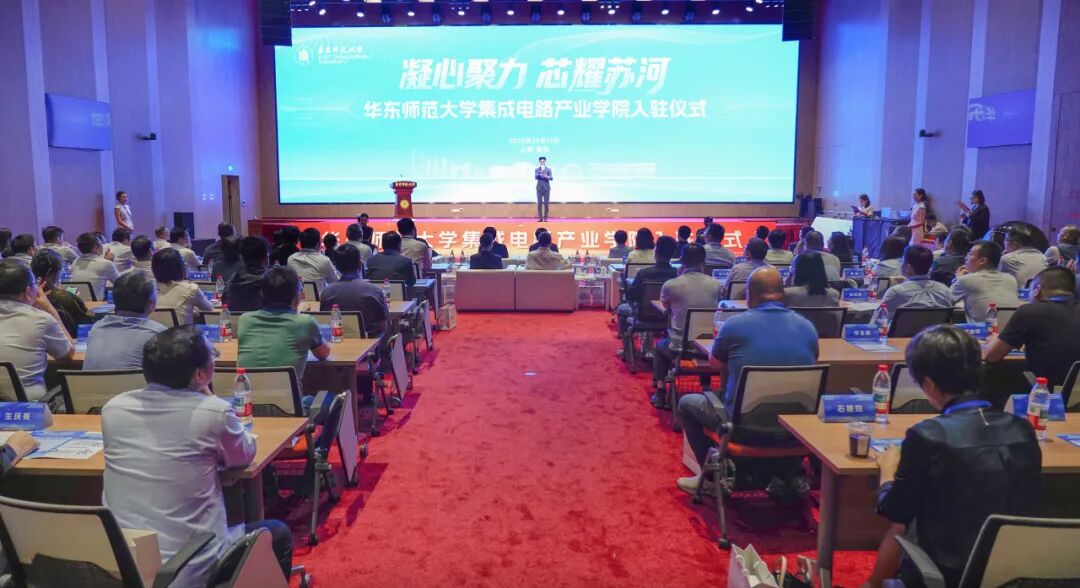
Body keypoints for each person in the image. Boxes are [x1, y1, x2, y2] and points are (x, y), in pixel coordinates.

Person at [102, 326, 294, 587]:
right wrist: (208, 394)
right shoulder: (212, 412)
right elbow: (244, 455)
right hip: (188, 566)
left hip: (123, 566)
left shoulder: (113, 409)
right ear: (201, 373)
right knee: (277, 533)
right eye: (211, 357)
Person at [866, 325, 1040, 588]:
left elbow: (897, 511)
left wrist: (887, 475)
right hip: (1016, 574)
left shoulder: (928, 436)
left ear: (928, 384)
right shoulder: (1022, 429)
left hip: (951, 573)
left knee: (900, 528)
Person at [676, 267, 819, 497]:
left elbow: (715, 363)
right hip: (795, 429)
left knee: (687, 404)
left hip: (743, 427)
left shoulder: (735, 325)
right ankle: (785, 475)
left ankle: (712, 479)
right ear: (782, 293)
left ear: (749, 295)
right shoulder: (808, 327)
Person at [984, 267, 1080, 389]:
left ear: (1037, 290)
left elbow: (992, 356)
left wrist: (994, 340)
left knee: (989, 371)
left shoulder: (1029, 311)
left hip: (1049, 392)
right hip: (1075, 392)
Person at [652, 244, 723, 406]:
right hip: (709, 347)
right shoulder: (716, 285)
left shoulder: (671, 284)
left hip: (680, 348)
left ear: (682, 261)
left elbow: (666, 308)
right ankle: (706, 388)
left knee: (660, 346)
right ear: (704, 262)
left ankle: (660, 392)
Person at [237, 266, 330, 382]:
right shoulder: (305, 322)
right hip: (289, 394)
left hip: (246, 392)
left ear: (261, 294)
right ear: (297, 298)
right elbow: (323, 354)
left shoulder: (245, 320)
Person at [0, 260, 74, 400]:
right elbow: (68, 354)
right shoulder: (41, 320)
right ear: (29, 292)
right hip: (29, 406)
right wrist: (50, 309)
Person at [84, 270, 166, 370]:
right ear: (150, 304)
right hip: (137, 381)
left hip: (89, 381)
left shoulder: (96, 328)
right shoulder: (158, 334)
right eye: (156, 293)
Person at [320, 244, 388, 337]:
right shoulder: (374, 291)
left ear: (337, 267)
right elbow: (383, 327)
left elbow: (324, 323)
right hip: (369, 343)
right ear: (360, 264)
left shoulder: (326, 293)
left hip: (337, 342)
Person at [617, 236, 679, 337]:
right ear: (673, 253)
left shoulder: (643, 273)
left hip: (643, 315)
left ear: (656, 252)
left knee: (621, 309)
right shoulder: (677, 274)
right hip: (669, 315)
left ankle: (624, 340)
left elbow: (631, 296)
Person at [30, 249, 97, 337]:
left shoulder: (27, 298)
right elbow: (88, 322)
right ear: (56, 273)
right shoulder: (65, 297)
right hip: (70, 340)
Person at [950, 240, 1020, 322]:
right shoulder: (1010, 279)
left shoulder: (966, 280)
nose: (966, 258)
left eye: (970, 254)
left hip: (984, 329)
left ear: (982, 261)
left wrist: (957, 280)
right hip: (1011, 329)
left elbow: (944, 301)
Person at [880, 245, 953, 316]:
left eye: (902, 261)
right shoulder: (944, 290)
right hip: (936, 325)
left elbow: (878, 318)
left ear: (908, 267)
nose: (900, 264)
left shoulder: (895, 292)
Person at [153, 248, 214, 325]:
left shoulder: (150, 290)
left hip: (156, 332)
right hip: (182, 332)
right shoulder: (190, 289)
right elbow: (209, 309)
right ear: (181, 267)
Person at [223, 236, 270, 312]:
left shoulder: (233, 279)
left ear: (242, 258)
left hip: (237, 320)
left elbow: (224, 303)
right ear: (266, 258)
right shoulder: (272, 282)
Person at [70, 232, 120, 301]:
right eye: (101, 244)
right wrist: (110, 263)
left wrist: (106, 261)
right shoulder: (106, 263)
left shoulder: (75, 262)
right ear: (95, 247)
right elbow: (120, 283)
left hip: (76, 302)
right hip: (95, 305)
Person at [535, 156, 552, 222]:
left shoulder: (548, 169)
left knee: (546, 204)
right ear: (539, 162)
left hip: (546, 188)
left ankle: (545, 217)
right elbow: (536, 177)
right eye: (541, 161)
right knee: (539, 203)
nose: (542, 162)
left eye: (543, 161)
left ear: (545, 162)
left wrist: (546, 176)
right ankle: (540, 218)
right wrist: (541, 173)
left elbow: (551, 178)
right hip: (539, 188)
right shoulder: (537, 169)